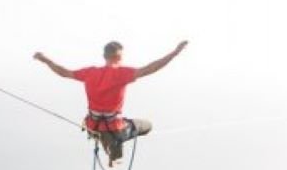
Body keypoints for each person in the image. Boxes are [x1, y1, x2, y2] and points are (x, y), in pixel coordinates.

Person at [33, 39, 188, 163]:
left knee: (109, 132)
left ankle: (111, 147)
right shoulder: (121, 73)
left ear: (104, 56)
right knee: (147, 125)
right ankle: (114, 145)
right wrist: (175, 53)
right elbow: (151, 68)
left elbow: (64, 72)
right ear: (119, 56)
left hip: (93, 124)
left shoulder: (90, 73)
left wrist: (45, 60)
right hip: (114, 127)